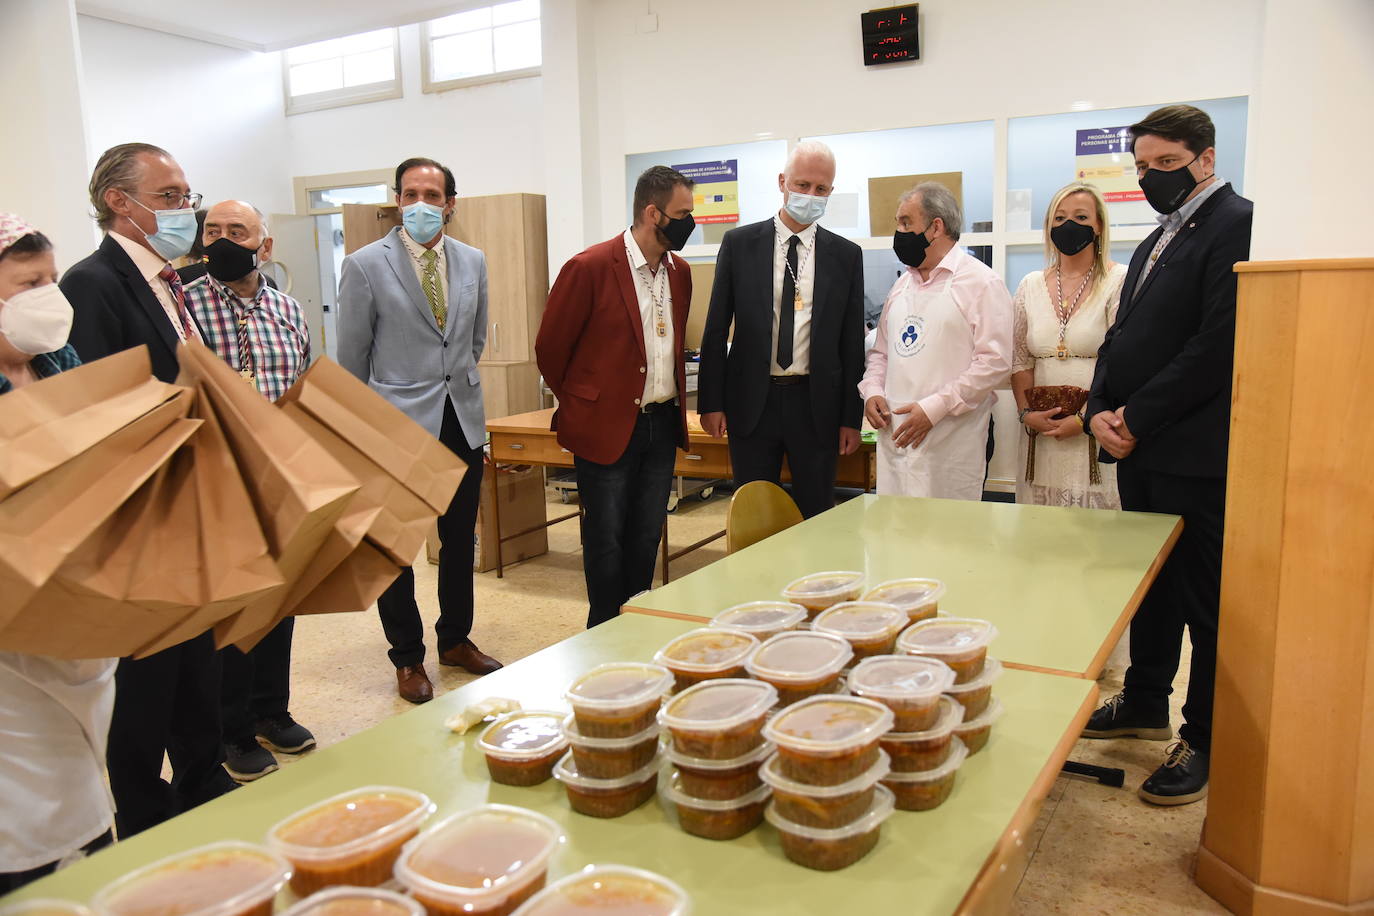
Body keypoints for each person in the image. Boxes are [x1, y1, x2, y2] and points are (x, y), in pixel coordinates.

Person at [61, 143, 237, 837]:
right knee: (148, 666)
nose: (185, 210)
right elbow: (101, 406)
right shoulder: (93, 283)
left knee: (198, 651)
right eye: (168, 197)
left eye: (185, 194)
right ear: (118, 202)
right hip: (144, 505)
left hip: (192, 495)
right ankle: (139, 804)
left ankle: (203, 773)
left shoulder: (174, 280)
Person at [1080, 105, 1253, 806]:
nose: (1151, 179)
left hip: (1191, 451)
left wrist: (1138, 415)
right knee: (1149, 586)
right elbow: (1120, 339)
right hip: (1139, 448)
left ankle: (1202, 735)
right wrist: (1097, 411)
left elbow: (1219, 342)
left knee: (1202, 600)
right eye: (1142, 167)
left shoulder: (1236, 223)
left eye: (1165, 165)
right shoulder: (1160, 234)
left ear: (1205, 159)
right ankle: (1146, 700)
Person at [338, 157, 500, 704]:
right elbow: (352, 359)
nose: (421, 205)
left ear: (450, 203)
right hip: (396, 425)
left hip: (462, 419)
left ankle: (455, 639)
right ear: (398, 199)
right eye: (411, 194)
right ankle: (407, 657)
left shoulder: (473, 260)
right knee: (395, 548)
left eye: (433, 195)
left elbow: (472, 341)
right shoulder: (364, 264)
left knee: (459, 540)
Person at [183, 199, 315, 781]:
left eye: (237, 231)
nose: (221, 240)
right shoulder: (183, 305)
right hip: (216, 478)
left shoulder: (287, 309)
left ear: (265, 245)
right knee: (234, 609)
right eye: (212, 230)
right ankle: (231, 729)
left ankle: (271, 711)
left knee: (279, 602)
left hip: (280, 475)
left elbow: (303, 384)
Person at [0, 214, 114, 891]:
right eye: (26, 283)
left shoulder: (56, 361)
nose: (47, 294)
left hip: (77, 605)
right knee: (28, 804)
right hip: (13, 620)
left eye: (49, 278)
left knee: (83, 784)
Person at [535, 166, 695, 628]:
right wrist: (585, 401)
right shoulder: (589, 267)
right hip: (606, 427)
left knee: (646, 535)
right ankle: (603, 633)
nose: (690, 222)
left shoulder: (679, 273)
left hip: (660, 424)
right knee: (605, 540)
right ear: (652, 213)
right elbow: (550, 349)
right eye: (683, 213)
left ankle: (636, 624)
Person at [697, 141, 864, 518]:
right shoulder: (740, 244)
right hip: (753, 403)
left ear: (830, 192)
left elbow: (852, 343)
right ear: (782, 181)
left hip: (816, 405)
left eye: (821, 189)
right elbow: (715, 326)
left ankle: (813, 578)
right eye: (802, 185)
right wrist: (711, 402)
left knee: (817, 513)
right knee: (755, 511)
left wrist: (850, 418)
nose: (810, 195)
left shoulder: (845, 255)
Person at [858, 182, 1012, 498]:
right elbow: (880, 353)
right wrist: (872, 391)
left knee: (947, 536)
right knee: (897, 532)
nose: (898, 233)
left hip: (951, 440)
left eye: (905, 223)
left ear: (935, 227)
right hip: (896, 439)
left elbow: (994, 363)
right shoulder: (901, 288)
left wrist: (934, 408)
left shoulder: (981, 283)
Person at [1011, 182, 1127, 508]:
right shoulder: (1030, 285)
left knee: (1095, 535)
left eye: (1080, 216)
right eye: (1059, 218)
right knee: (1039, 529)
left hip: (1096, 427)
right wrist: (1026, 413)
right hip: (1040, 432)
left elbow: (1123, 361)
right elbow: (1020, 359)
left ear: (1099, 225)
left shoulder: (1120, 281)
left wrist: (1086, 418)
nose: (1068, 225)